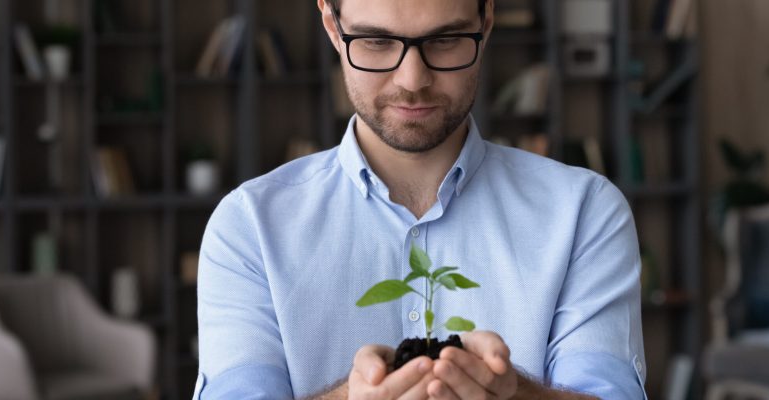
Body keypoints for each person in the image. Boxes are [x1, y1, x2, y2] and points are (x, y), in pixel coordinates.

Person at [193, 0, 646, 398]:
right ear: (332, 25)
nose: (412, 80)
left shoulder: (584, 213)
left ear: (486, 22)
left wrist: (517, 396)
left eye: (445, 40)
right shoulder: (248, 227)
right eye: (376, 42)